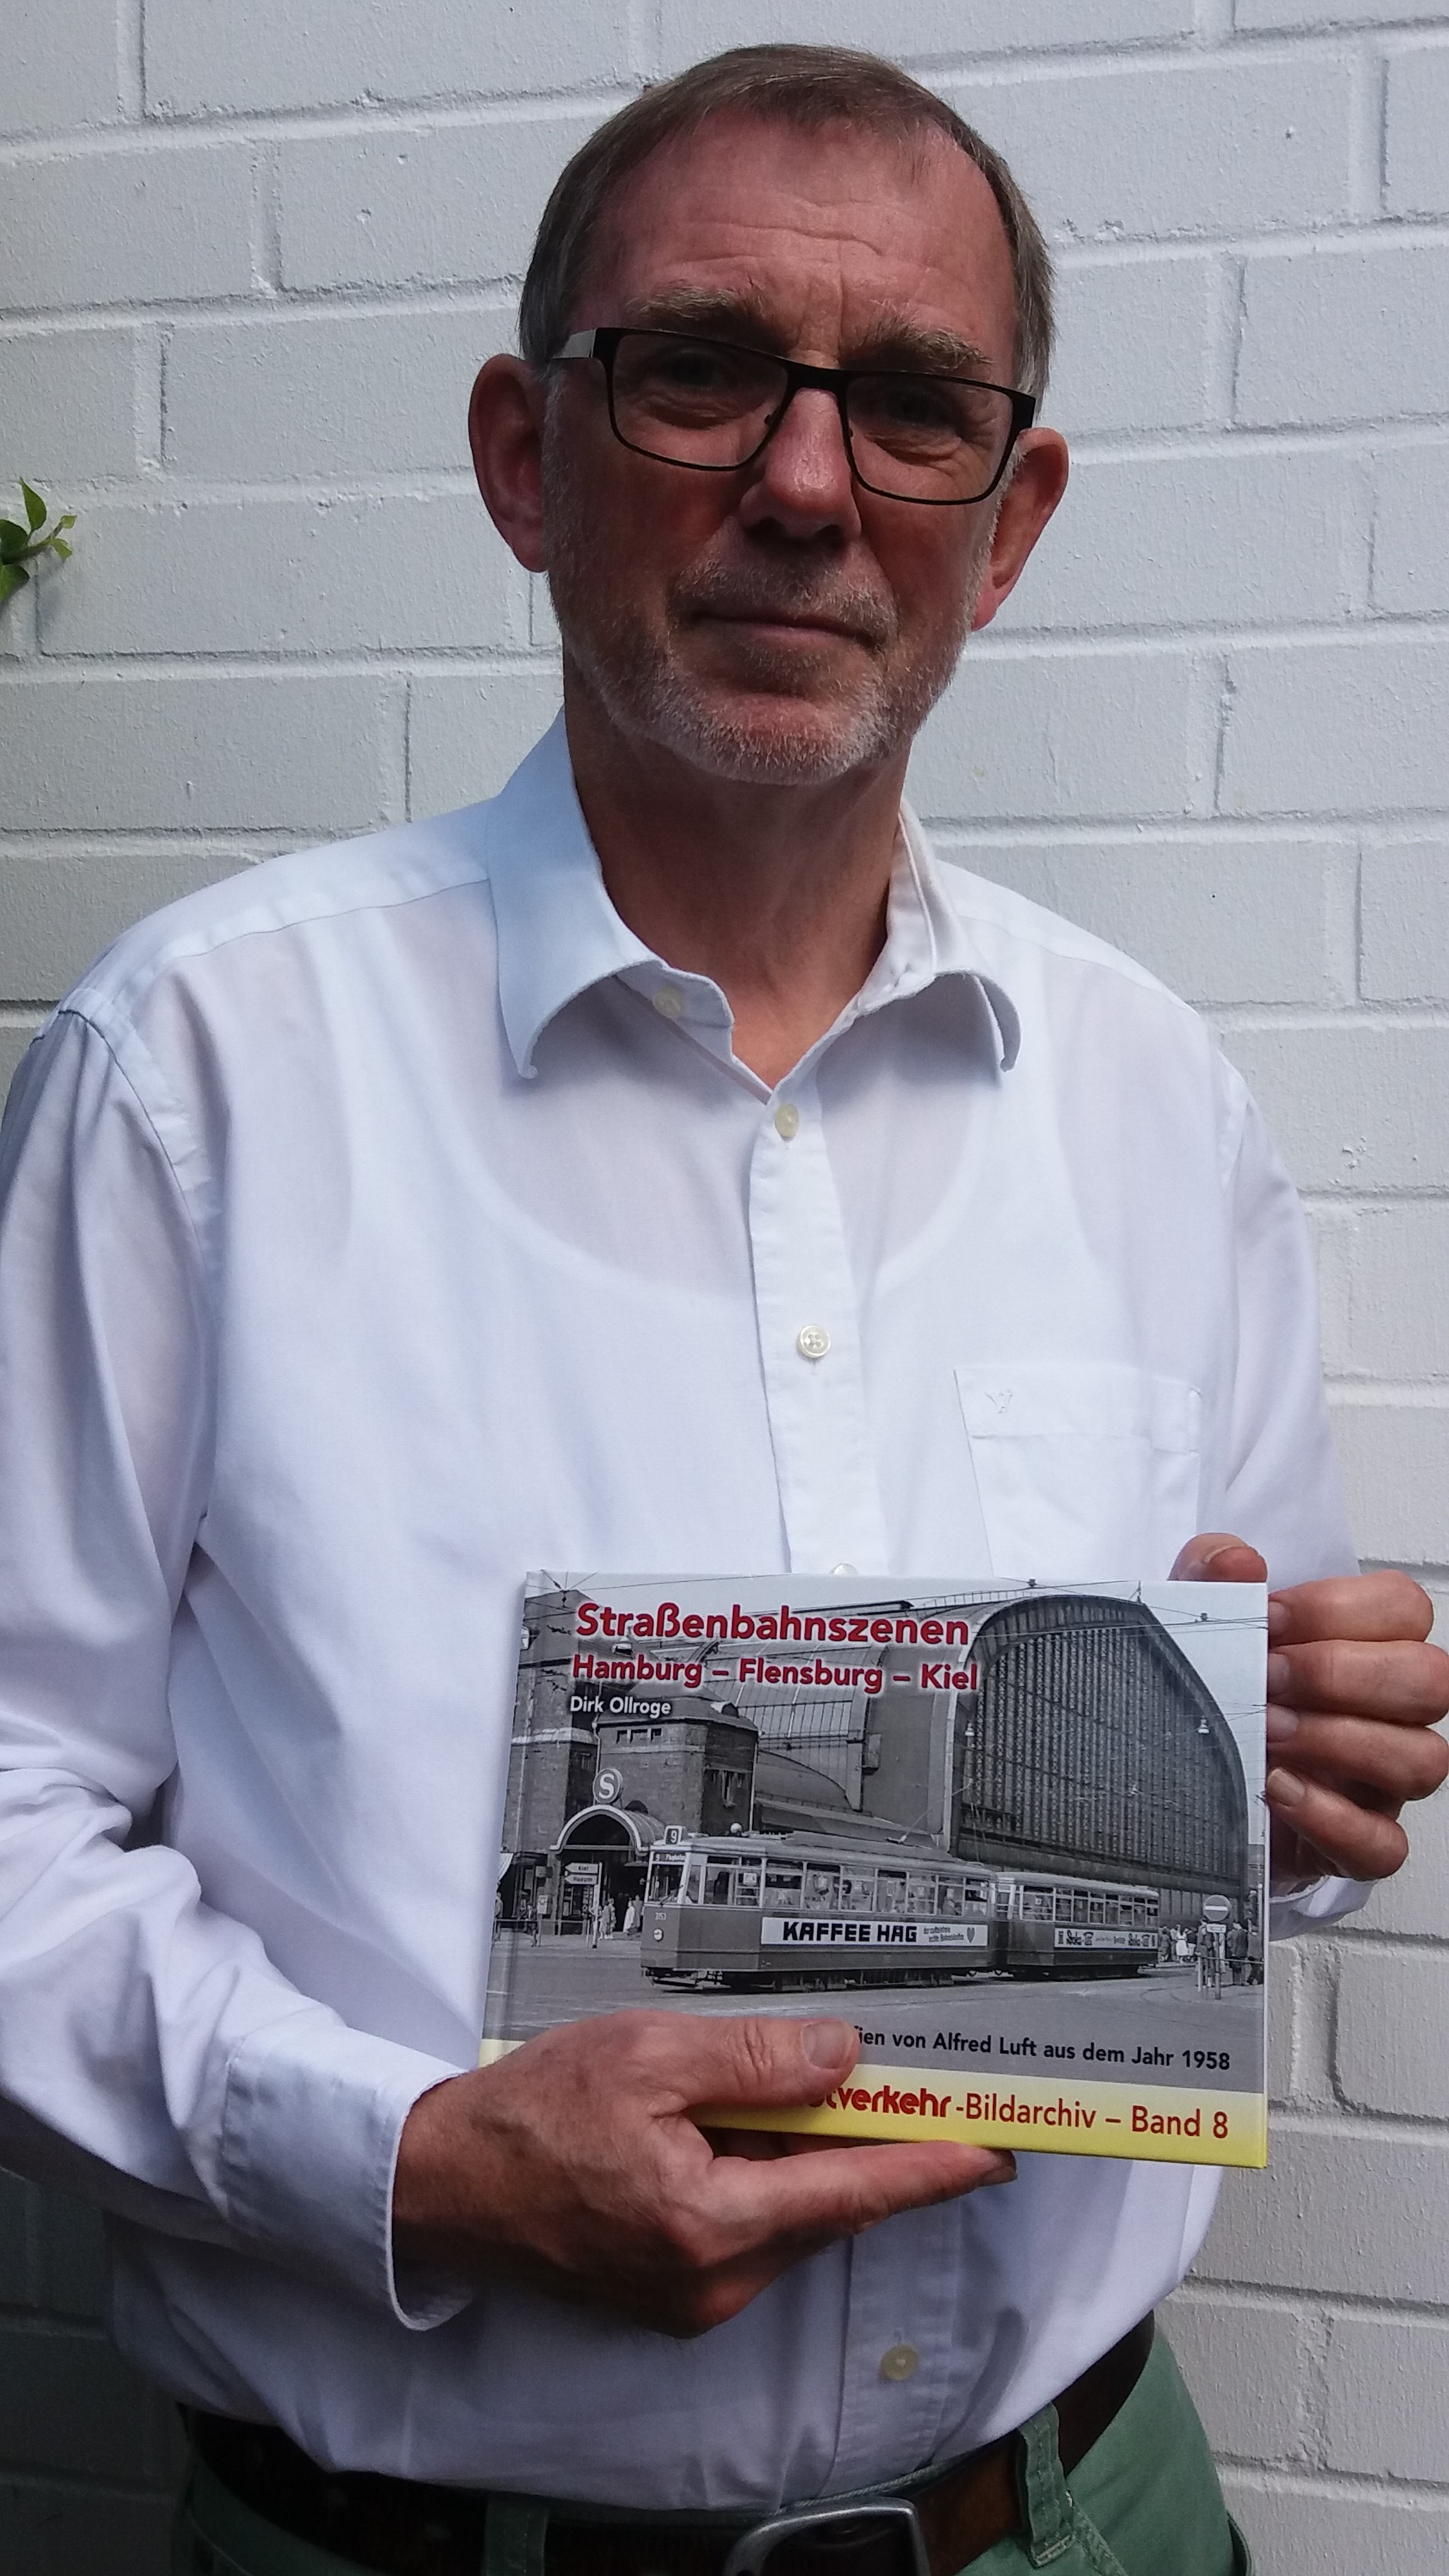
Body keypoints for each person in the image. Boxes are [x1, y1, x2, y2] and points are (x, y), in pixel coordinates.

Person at [0, 42, 1445, 2576]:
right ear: (523, 457)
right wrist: (413, 2162)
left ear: (1007, 522)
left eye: (912, 407)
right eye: (697, 370)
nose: (803, 481)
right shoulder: (193, 1076)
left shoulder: (1148, 1098)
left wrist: (1304, 1772)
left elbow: (1251, 1827)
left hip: (1075, 2523)